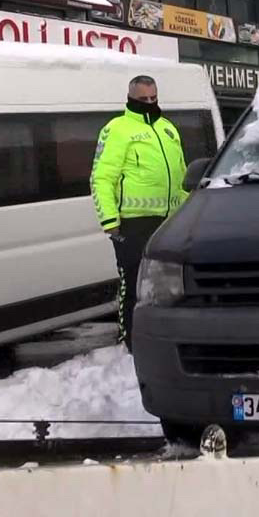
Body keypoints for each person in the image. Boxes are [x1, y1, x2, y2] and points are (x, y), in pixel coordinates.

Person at [91, 75, 188, 352]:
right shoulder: (117, 129)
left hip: (170, 220)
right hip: (133, 222)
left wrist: (189, 212)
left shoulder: (168, 129)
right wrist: (110, 222)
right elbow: (101, 178)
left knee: (169, 282)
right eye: (143, 99)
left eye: (153, 98)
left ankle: (165, 336)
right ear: (131, 98)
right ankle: (131, 342)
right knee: (133, 282)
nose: (149, 103)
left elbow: (181, 176)